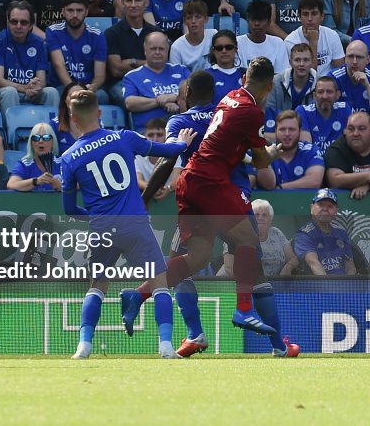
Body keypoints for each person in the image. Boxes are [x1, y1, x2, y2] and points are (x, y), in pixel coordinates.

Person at [124, 57, 294, 353]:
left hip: (193, 186)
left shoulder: (220, 105)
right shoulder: (246, 110)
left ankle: (150, 302)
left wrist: (144, 199)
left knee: (196, 258)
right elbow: (259, 160)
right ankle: (269, 336)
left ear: (186, 94)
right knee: (250, 251)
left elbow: (168, 160)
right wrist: (273, 153)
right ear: (268, 86)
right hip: (221, 188)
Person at [60, 89, 195, 359]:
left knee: (97, 287)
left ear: (73, 119)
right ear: (99, 112)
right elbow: (165, 150)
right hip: (135, 225)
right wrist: (182, 144)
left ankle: (84, 346)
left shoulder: (69, 158)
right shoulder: (124, 138)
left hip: (102, 229)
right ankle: (166, 346)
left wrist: (95, 217)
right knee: (159, 284)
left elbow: (69, 208)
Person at [0, 1, 59, 114]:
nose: (18, 26)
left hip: (31, 92)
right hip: (6, 91)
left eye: (23, 22)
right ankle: (13, 131)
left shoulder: (40, 43)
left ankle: (49, 129)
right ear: (8, 22)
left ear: (31, 25)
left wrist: (36, 86)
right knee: (10, 92)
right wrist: (24, 88)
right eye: (14, 22)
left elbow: (42, 81)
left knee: (51, 92)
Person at [123, 31, 191, 133]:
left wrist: (172, 97)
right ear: (145, 50)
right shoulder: (132, 76)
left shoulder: (181, 70)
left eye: (161, 49)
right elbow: (130, 103)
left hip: (181, 129)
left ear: (167, 50)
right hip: (147, 133)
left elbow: (193, 94)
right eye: (153, 49)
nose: (157, 52)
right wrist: (160, 102)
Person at [47, 0, 108, 99]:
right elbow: (58, 64)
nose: (75, 15)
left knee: (101, 96)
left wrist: (92, 87)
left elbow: (100, 74)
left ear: (86, 11)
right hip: (62, 86)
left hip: (87, 86)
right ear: (63, 11)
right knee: (54, 94)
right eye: (70, 10)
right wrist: (72, 88)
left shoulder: (98, 35)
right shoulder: (53, 31)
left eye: (79, 10)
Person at [104, 0, 161, 103]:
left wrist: (132, 62)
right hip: (120, 83)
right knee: (125, 96)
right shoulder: (112, 33)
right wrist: (147, 63)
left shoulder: (155, 33)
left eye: (137, 1)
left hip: (151, 80)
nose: (133, 5)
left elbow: (160, 65)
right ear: (123, 3)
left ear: (146, 3)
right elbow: (116, 70)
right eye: (129, 1)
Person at [220, 199, 299, 276]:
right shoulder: (237, 233)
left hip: (272, 284)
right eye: (256, 215)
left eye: (264, 215)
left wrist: (288, 267)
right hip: (234, 285)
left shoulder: (276, 233)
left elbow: (292, 258)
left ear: (270, 219)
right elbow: (229, 268)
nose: (260, 218)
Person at [294, 189, 358, 275]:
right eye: (320, 205)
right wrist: (331, 287)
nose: (325, 209)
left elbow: (350, 266)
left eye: (330, 206)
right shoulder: (304, 234)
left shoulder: (341, 232)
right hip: (319, 286)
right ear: (311, 208)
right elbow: (314, 264)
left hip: (344, 285)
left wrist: (349, 286)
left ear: (336, 211)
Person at [283, 0, 345, 78]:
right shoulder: (290, 41)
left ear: (322, 16)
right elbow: (309, 78)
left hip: (329, 83)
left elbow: (340, 70)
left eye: (314, 14)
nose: (309, 19)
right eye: (305, 14)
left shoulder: (332, 35)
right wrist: (313, 42)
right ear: (299, 17)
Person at [268, 109, 326, 188]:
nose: (287, 134)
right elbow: (263, 183)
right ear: (275, 131)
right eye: (282, 129)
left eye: (292, 129)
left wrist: (281, 188)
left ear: (300, 131)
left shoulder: (311, 151)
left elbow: (314, 181)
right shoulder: (267, 152)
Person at [296, 76, 352, 156]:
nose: (325, 96)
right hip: (314, 161)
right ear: (314, 95)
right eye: (320, 92)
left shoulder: (344, 109)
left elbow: (350, 140)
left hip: (338, 161)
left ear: (337, 95)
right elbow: (307, 149)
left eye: (329, 92)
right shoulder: (303, 111)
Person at [266, 43, 316, 131]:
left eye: (306, 60)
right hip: (280, 133)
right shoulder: (275, 82)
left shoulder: (320, 85)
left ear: (312, 62)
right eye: (297, 60)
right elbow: (270, 115)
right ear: (290, 62)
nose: (301, 64)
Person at [324, 111, 370, 199]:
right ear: (345, 131)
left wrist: (367, 186)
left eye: (362, 128)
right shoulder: (336, 149)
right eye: (351, 129)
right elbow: (335, 181)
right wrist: (368, 176)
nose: (356, 133)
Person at [237, 0, 290, 73]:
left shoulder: (278, 43)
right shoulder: (237, 43)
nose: (257, 24)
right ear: (248, 21)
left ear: (269, 22)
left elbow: (281, 75)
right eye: (253, 19)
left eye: (261, 19)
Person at [135, 117, 182, 201]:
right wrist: (152, 190)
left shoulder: (176, 154)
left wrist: (168, 188)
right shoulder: (138, 156)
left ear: (166, 137)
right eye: (150, 135)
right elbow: (138, 180)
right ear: (145, 136)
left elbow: (177, 179)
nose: (155, 139)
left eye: (159, 135)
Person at [7, 122, 62, 192]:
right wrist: (36, 181)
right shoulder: (25, 164)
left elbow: (79, 183)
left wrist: (61, 185)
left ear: (53, 142)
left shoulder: (63, 162)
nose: (41, 141)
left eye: (46, 137)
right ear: (31, 143)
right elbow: (11, 185)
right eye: (36, 138)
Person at [171, 0, 216, 71]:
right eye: (189, 18)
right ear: (185, 21)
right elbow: (176, 76)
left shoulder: (213, 35)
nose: (193, 21)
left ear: (206, 19)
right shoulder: (176, 47)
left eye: (198, 17)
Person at [331, 39, 370, 113]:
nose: (354, 62)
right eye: (351, 56)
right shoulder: (334, 78)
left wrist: (368, 86)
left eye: (359, 57)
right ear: (345, 59)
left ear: (368, 60)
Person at [205, 30, 244, 102]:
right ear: (213, 51)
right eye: (219, 48)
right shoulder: (205, 76)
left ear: (236, 49)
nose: (224, 51)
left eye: (228, 47)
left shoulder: (246, 74)